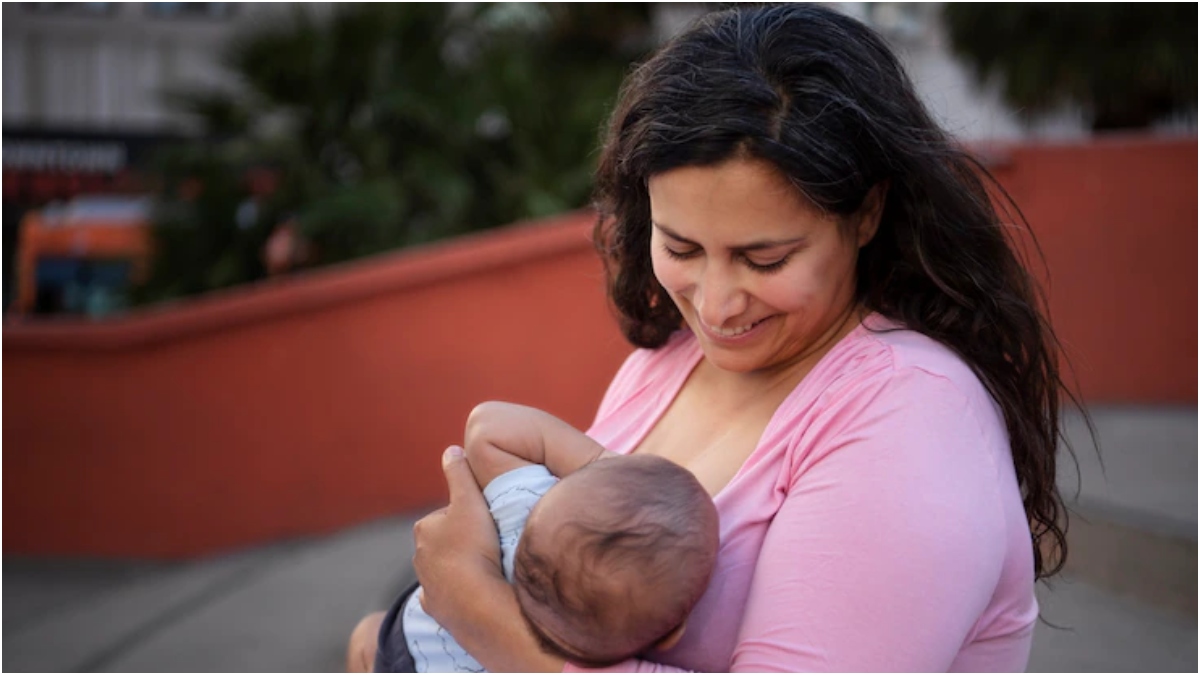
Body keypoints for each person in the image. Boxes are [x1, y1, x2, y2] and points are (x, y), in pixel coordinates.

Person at [352, 3, 1088, 671]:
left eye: (764, 258)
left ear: (866, 214)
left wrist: (481, 618)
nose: (715, 303)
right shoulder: (668, 361)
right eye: (681, 247)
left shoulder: (911, 418)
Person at [353, 403, 719, 672]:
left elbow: (488, 425)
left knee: (365, 637)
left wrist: (600, 460)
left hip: (408, 639)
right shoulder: (625, 641)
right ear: (671, 635)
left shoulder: (525, 506)